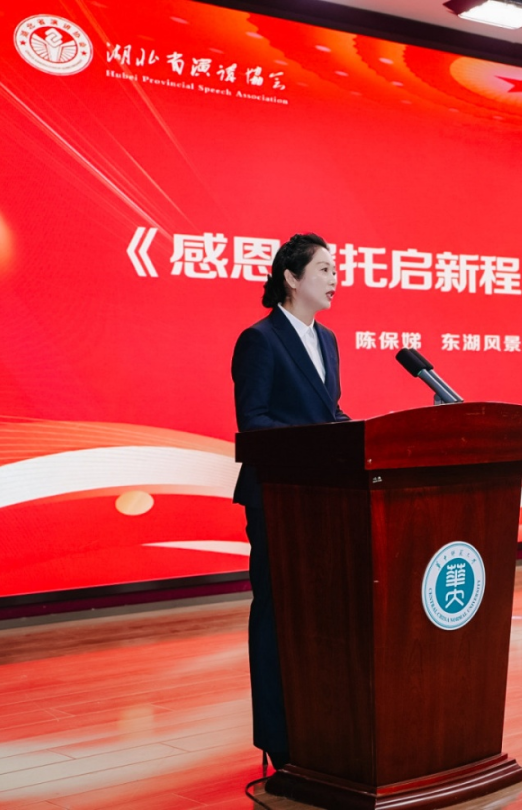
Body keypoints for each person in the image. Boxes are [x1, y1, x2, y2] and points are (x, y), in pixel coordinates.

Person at [231, 232, 348, 771]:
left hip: (320, 498)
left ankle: (317, 730)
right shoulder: (259, 340)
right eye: (324, 269)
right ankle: (278, 738)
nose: (334, 279)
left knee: (318, 615)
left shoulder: (328, 340)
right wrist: (319, 440)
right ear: (291, 278)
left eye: (335, 270)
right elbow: (253, 423)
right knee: (277, 613)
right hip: (277, 498)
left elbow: (329, 414)